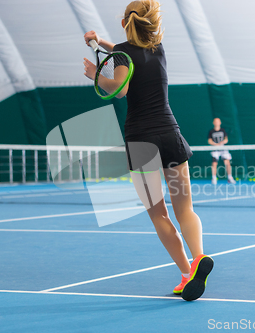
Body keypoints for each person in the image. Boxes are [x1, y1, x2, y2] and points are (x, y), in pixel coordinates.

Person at [83, 0, 213, 301]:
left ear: (126, 22)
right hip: (170, 134)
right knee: (185, 209)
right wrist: (99, 41)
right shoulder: (158, 48)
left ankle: (185, 272)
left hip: (141, 142)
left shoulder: (121, 56)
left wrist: (93, 74)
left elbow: (118, 88)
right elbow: (128, 49)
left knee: (159, 215)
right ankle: (198, 259)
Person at [208, 118, 236, 185]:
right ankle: (214, 178)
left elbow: (226, 139)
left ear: (220, 122)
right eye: (215, 121)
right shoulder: (211, 131)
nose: (217, 123)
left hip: (223, 149)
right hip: (215, 149)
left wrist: (222, 142)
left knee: (227, 163)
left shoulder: (223, 130)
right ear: (213, 123)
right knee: (214, 163)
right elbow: (209, 140)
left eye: (218, 121)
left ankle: (230, 177)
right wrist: (215, 144)